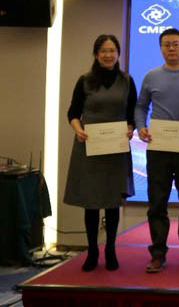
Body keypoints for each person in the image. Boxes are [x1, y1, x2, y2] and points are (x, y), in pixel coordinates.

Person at [63, 34, 136, 272]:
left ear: (118, 53)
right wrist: (78, 129)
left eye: (112, 50)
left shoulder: (127, 81)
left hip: (115, 148)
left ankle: (111, 249)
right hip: (89, 147)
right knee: (92, 202)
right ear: (96, 54)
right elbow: (73, 113)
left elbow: (132, 114)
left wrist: (131, 128)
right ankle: (92, 250)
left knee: (112, 202)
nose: (108, 55)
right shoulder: (84, 80)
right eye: (103, 51)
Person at [135, 28, 179, 273]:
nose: (171, 48)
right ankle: (157, 253)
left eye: (175, 44)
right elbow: (141, 107)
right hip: (158, 148)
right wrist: (141, 128)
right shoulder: (151, 76)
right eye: (166, 44)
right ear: (160, 48)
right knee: (157, 203)